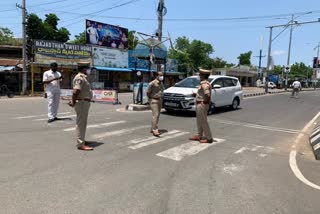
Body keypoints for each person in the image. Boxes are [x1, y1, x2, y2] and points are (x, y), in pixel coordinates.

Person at [68, 62, 94, 151]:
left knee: (83, 123)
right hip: (82, 103)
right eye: (88, 68)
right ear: (84, 69)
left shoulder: (83, 78)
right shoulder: (80, 78)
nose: (89, 70)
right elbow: (76, 91)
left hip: (84, 102)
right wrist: (73, 101)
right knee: (81, 124)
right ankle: (80, 144)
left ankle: (82, 140)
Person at [189, 68, 214, 143]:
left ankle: (209, 138)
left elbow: (207, 94)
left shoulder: (205, 84)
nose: (199, 76)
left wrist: (205, 101)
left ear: (203, 75)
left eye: (200, 74)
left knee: (203, 121)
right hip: (200, 104)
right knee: (199, 121)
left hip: (202, 105)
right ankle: (199, 135)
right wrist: (196, 95)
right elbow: (204, 94)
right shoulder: (203, 83)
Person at [147, 72, 164, 137]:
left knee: (157, 115)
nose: (162, 76)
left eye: (162, 75)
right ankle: (155, 130)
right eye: (160, 75)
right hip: (153, 100)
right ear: (156, 76)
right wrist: (151, 99)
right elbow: (148, 92)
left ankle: (152, 128)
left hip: (159, 100)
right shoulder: (152, 83)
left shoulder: (161, 83)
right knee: (155, 115)